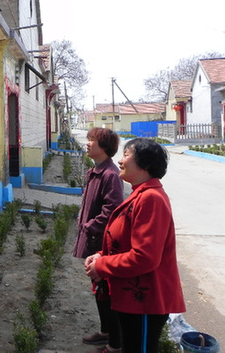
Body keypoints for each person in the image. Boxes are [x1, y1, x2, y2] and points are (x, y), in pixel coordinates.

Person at [85, 138, 186, 353]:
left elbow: (145, 257)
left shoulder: (151, 199)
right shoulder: (139, 194)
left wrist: (102, 266)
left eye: (126, 155)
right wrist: (100, 255)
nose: (120, 161)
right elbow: (125, 241)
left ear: (145, 164)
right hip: (131, 298)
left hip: (145, 302)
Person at [73, 128, 123, 352]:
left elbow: (112, 208)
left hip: (101, 241)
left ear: (104, 148)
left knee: (105, 289)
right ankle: (105, 332)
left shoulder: (110, 175)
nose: (88, 144)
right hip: (92, 237)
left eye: (92, 140)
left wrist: (89, 226)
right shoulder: (95, 171)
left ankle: (113, 340)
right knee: (98, 287)